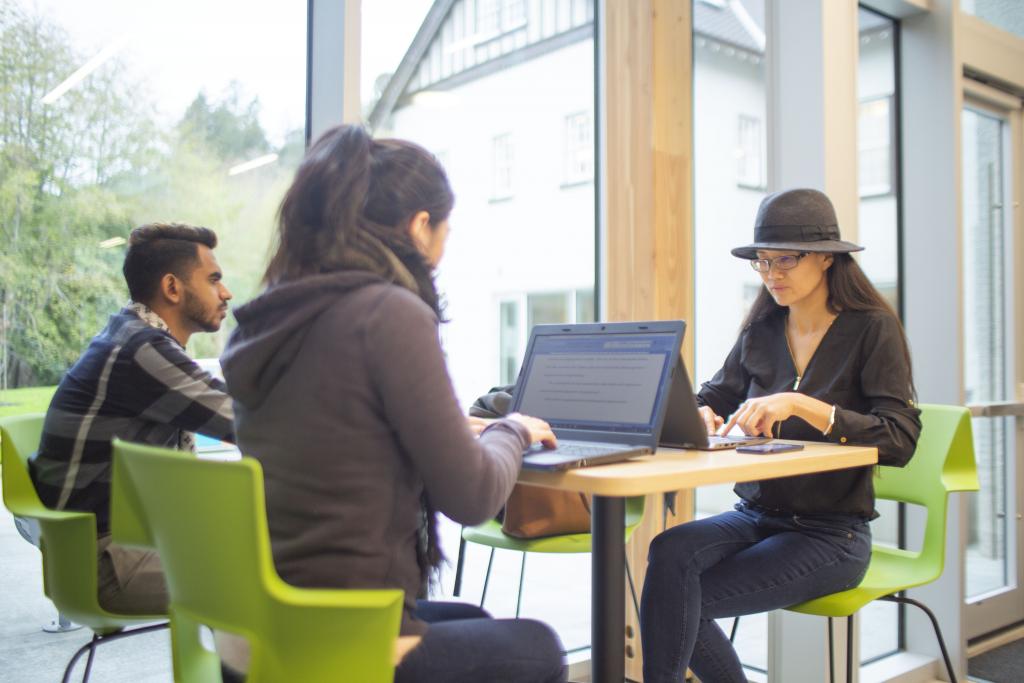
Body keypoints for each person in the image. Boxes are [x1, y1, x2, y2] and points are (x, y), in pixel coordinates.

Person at [220, 124, 567, 683]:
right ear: (419, 225)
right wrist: (512, 430)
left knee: (471, 618)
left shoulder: (272, 318)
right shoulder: (387, 312)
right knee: (540, 649)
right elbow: (473, 497)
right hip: (337, 646)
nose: (444, 248)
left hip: (260, 628)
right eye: (445, 228)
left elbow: (341, 434)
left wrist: (452, 431)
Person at [639, 188, 922, 683]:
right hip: (755, 515)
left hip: (831, 532)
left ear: (827, 259)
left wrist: (806, 406)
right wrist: (701, 413)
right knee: (669, 551)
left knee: (683, 601)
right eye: (763, 262)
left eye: (785, 260)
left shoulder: (872, 329)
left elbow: (899, 438)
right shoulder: (763, 329)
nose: (772, 274)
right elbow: (713, 395)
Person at [30, 222, 235, 615]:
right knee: (283, 570)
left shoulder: (131, 335)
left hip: (116, 545)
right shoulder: (139, 350)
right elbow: (243, 420)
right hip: (107, 561)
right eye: (213, 280)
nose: (225, 293)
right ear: (172, 288)